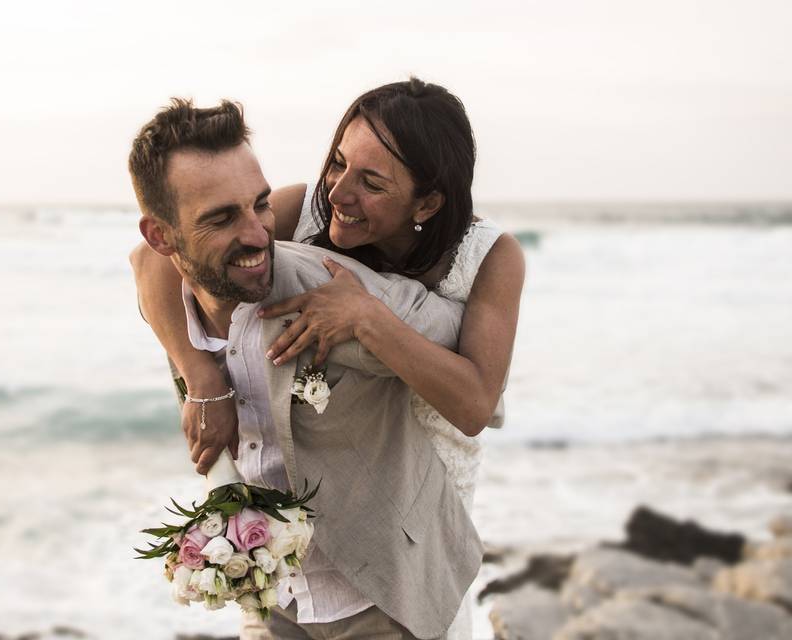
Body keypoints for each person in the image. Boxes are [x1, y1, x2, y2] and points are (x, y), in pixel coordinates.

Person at [131, 79, 525, 638]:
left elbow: (474, 403)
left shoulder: (490, 257)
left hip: (418, 474)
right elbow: (153, 259)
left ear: (428, 202)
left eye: (371, 182)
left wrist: (364, 316)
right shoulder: (307, 209)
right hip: (328, 458)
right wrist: (199, 376)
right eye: (338, 163)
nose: (338, 192)